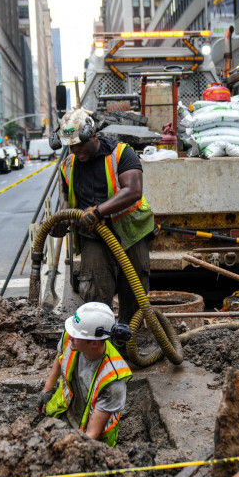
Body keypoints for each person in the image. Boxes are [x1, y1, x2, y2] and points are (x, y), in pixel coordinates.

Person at [50, 108, 154, 329]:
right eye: (71, 145)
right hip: (94, 235)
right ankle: (100, 337)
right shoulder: (68, 166)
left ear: (93, 135)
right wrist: (61, 222)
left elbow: (133, 190)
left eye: (80, 144)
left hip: (130, 232)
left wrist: (98, 212)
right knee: (95, 289)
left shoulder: (121, 154)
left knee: (133, 290)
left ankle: (130, 337)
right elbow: (67, 205)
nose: (76, 150)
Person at [36, 302, 132, 447]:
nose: (69, 338)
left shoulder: (113, 380)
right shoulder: (74, 335)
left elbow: (92, 434)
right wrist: (47, 389)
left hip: (93, 440)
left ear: (94, 343)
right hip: (66, 415)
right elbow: (61, 354)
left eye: (75, 336)